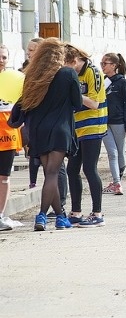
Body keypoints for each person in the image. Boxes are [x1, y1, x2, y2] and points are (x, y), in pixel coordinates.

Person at [10, 38, 83, 231]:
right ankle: (41, 215)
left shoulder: (32, 76)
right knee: (52, 173)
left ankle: (60, 216)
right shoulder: (68, 73)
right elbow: (76, 103)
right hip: (60, 130)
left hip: (38, 130)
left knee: (48, 172)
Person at [64, 44, 107, 227]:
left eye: (65, 63)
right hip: (77, 127)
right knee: (72, 169)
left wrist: (74, 94)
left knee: (90, 168)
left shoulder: (93, 72)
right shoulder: (72, 74)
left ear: (74, 60)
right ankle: (76, 212)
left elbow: (95, 103)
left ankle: (97, 213)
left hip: (93, 125)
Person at [101, 52, 126, 195]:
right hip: (103, 122)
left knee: (120, 151)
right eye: (101, 63)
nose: (102, 66)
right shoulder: (102, 81)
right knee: (112, 152)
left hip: (118, 122)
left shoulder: (122, 83)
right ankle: (117, 182)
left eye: (105, 64)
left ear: (114, 66)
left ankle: (117, 181)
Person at [0, 46, 23, 231]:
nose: (1, 60)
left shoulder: (14, 79)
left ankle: (0, 215)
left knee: (4, 177)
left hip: (8, 134)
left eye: (4, 57)